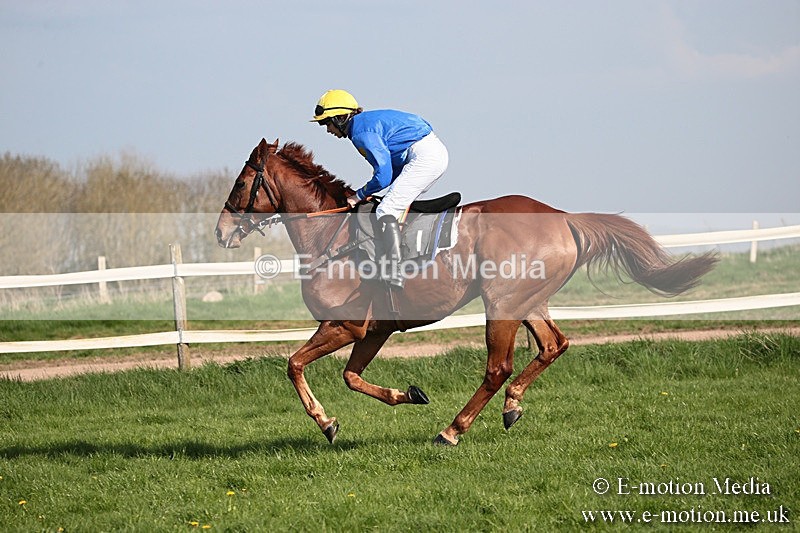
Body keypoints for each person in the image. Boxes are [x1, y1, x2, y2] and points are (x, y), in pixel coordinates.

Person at [310, 89, 449, 288]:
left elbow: (383, 176)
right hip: (427, 153)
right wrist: (368, 191)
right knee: (391, 204)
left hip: (425, 156)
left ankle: (395, 270)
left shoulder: (361, 133)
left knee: (386, 209)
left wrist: (359, 195)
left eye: (327, 122)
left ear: (340, 118)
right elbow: (389, 173)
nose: (327, 129)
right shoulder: (363, 125)